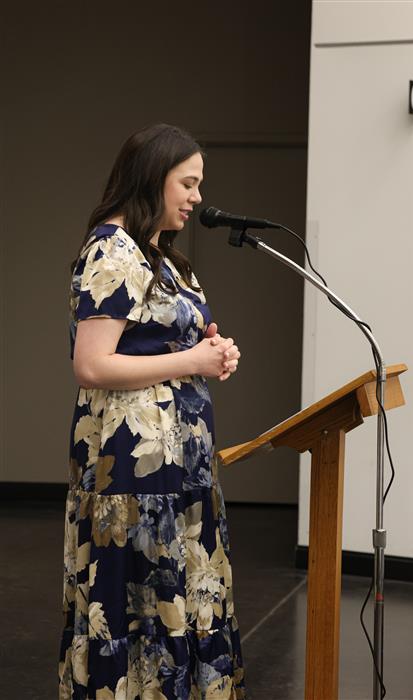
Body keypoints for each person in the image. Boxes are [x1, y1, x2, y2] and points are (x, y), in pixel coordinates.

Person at [58, 124, 246, 699]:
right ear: (151, 177)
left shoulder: (160, 256)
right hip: (133, 478)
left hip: (181, 471)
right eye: (187, 183)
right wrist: (191, 358)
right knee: (138, 608)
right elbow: (92, 364)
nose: (196, 197)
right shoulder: (111, 251)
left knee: (183, 600)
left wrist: (213, 351)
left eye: (198, 185)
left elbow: (163, 345)